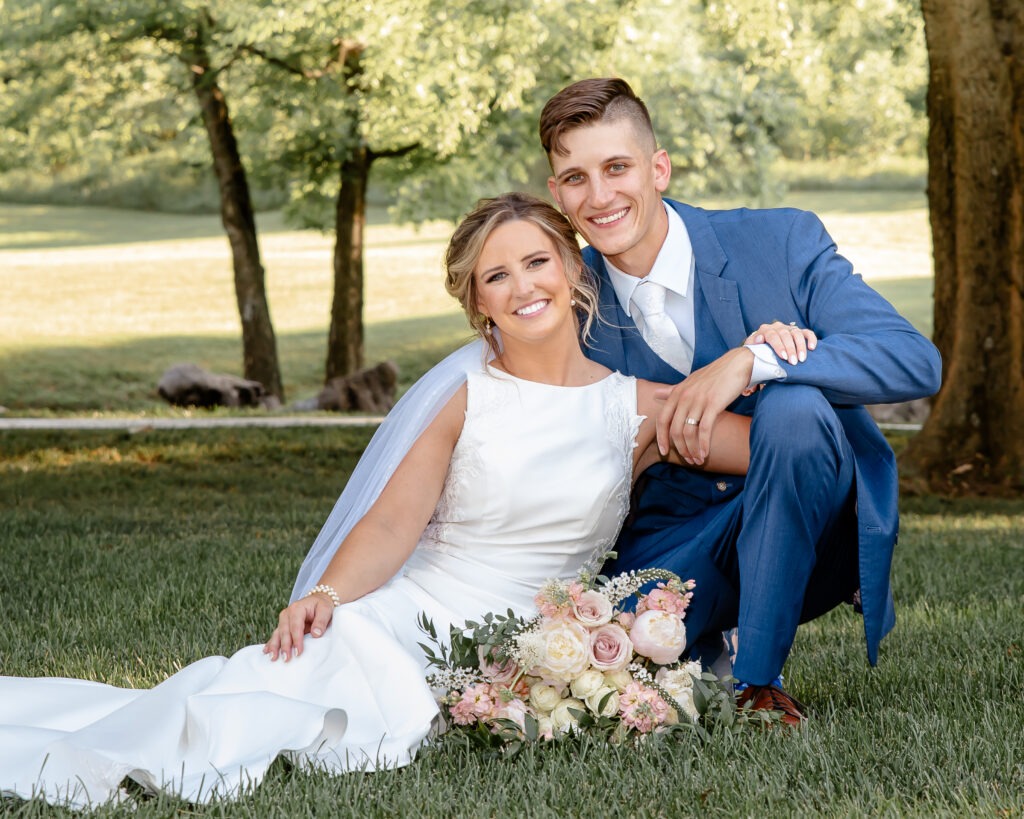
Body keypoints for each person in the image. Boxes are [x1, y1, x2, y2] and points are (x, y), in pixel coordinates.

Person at [1, 194, 793, 808]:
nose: (523, 286)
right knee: (257, 704)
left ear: (574, 270)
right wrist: (326, 593)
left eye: (536, 261)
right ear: (478, 301)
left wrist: (755, 359)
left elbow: (783, 456)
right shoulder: (467, 395)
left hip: (539, 642)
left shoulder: (642, 409)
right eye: (496, 275)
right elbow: (390, 521)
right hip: (409, 612)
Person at [538, 78, 943, 725]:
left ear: (659, 167)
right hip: (672, 549)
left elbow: (914, 360)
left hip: (814, 530)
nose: (601, 195)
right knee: (602, 675)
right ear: (557, 194)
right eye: (576, 177)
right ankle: (704, 643)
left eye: (617, 167)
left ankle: (758, 678)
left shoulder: (781, 241)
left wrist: (756, 361)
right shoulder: (560, 301)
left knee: (795, 406)